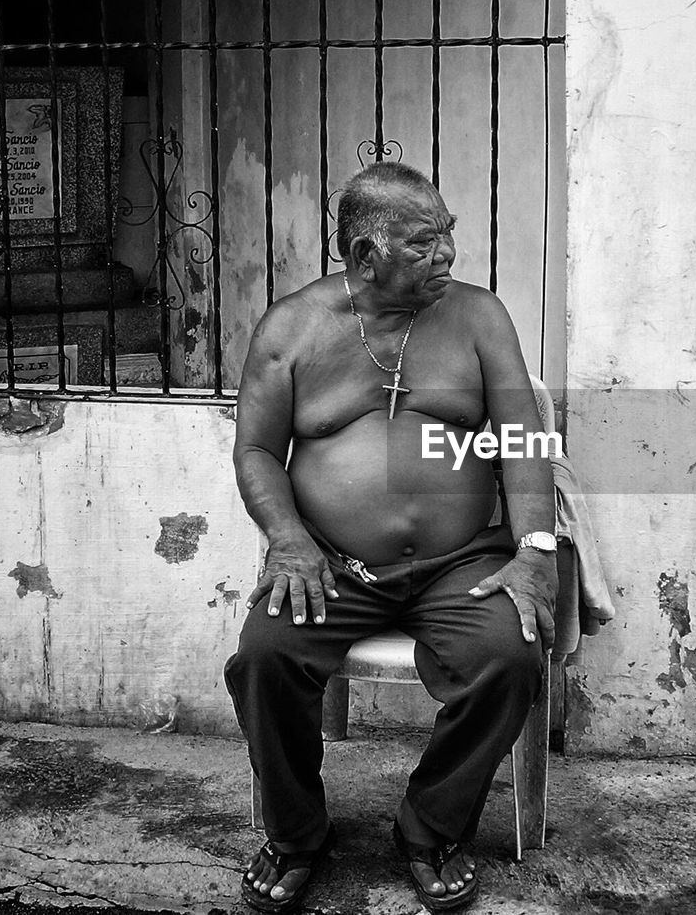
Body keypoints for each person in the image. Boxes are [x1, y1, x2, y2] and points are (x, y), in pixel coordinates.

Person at [224, 161, 558, 913]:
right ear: (363, 255)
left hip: (460, 561)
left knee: (507, 660)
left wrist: (534, 553)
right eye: (422, 243)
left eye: (447, 236)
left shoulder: (479, 317)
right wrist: (288, 538)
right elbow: (254, 452)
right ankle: (296, 835)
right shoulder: (294, 327)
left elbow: (522, 438)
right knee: (263, 659)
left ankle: (430, 828)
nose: (446, 256)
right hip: (330, 564)